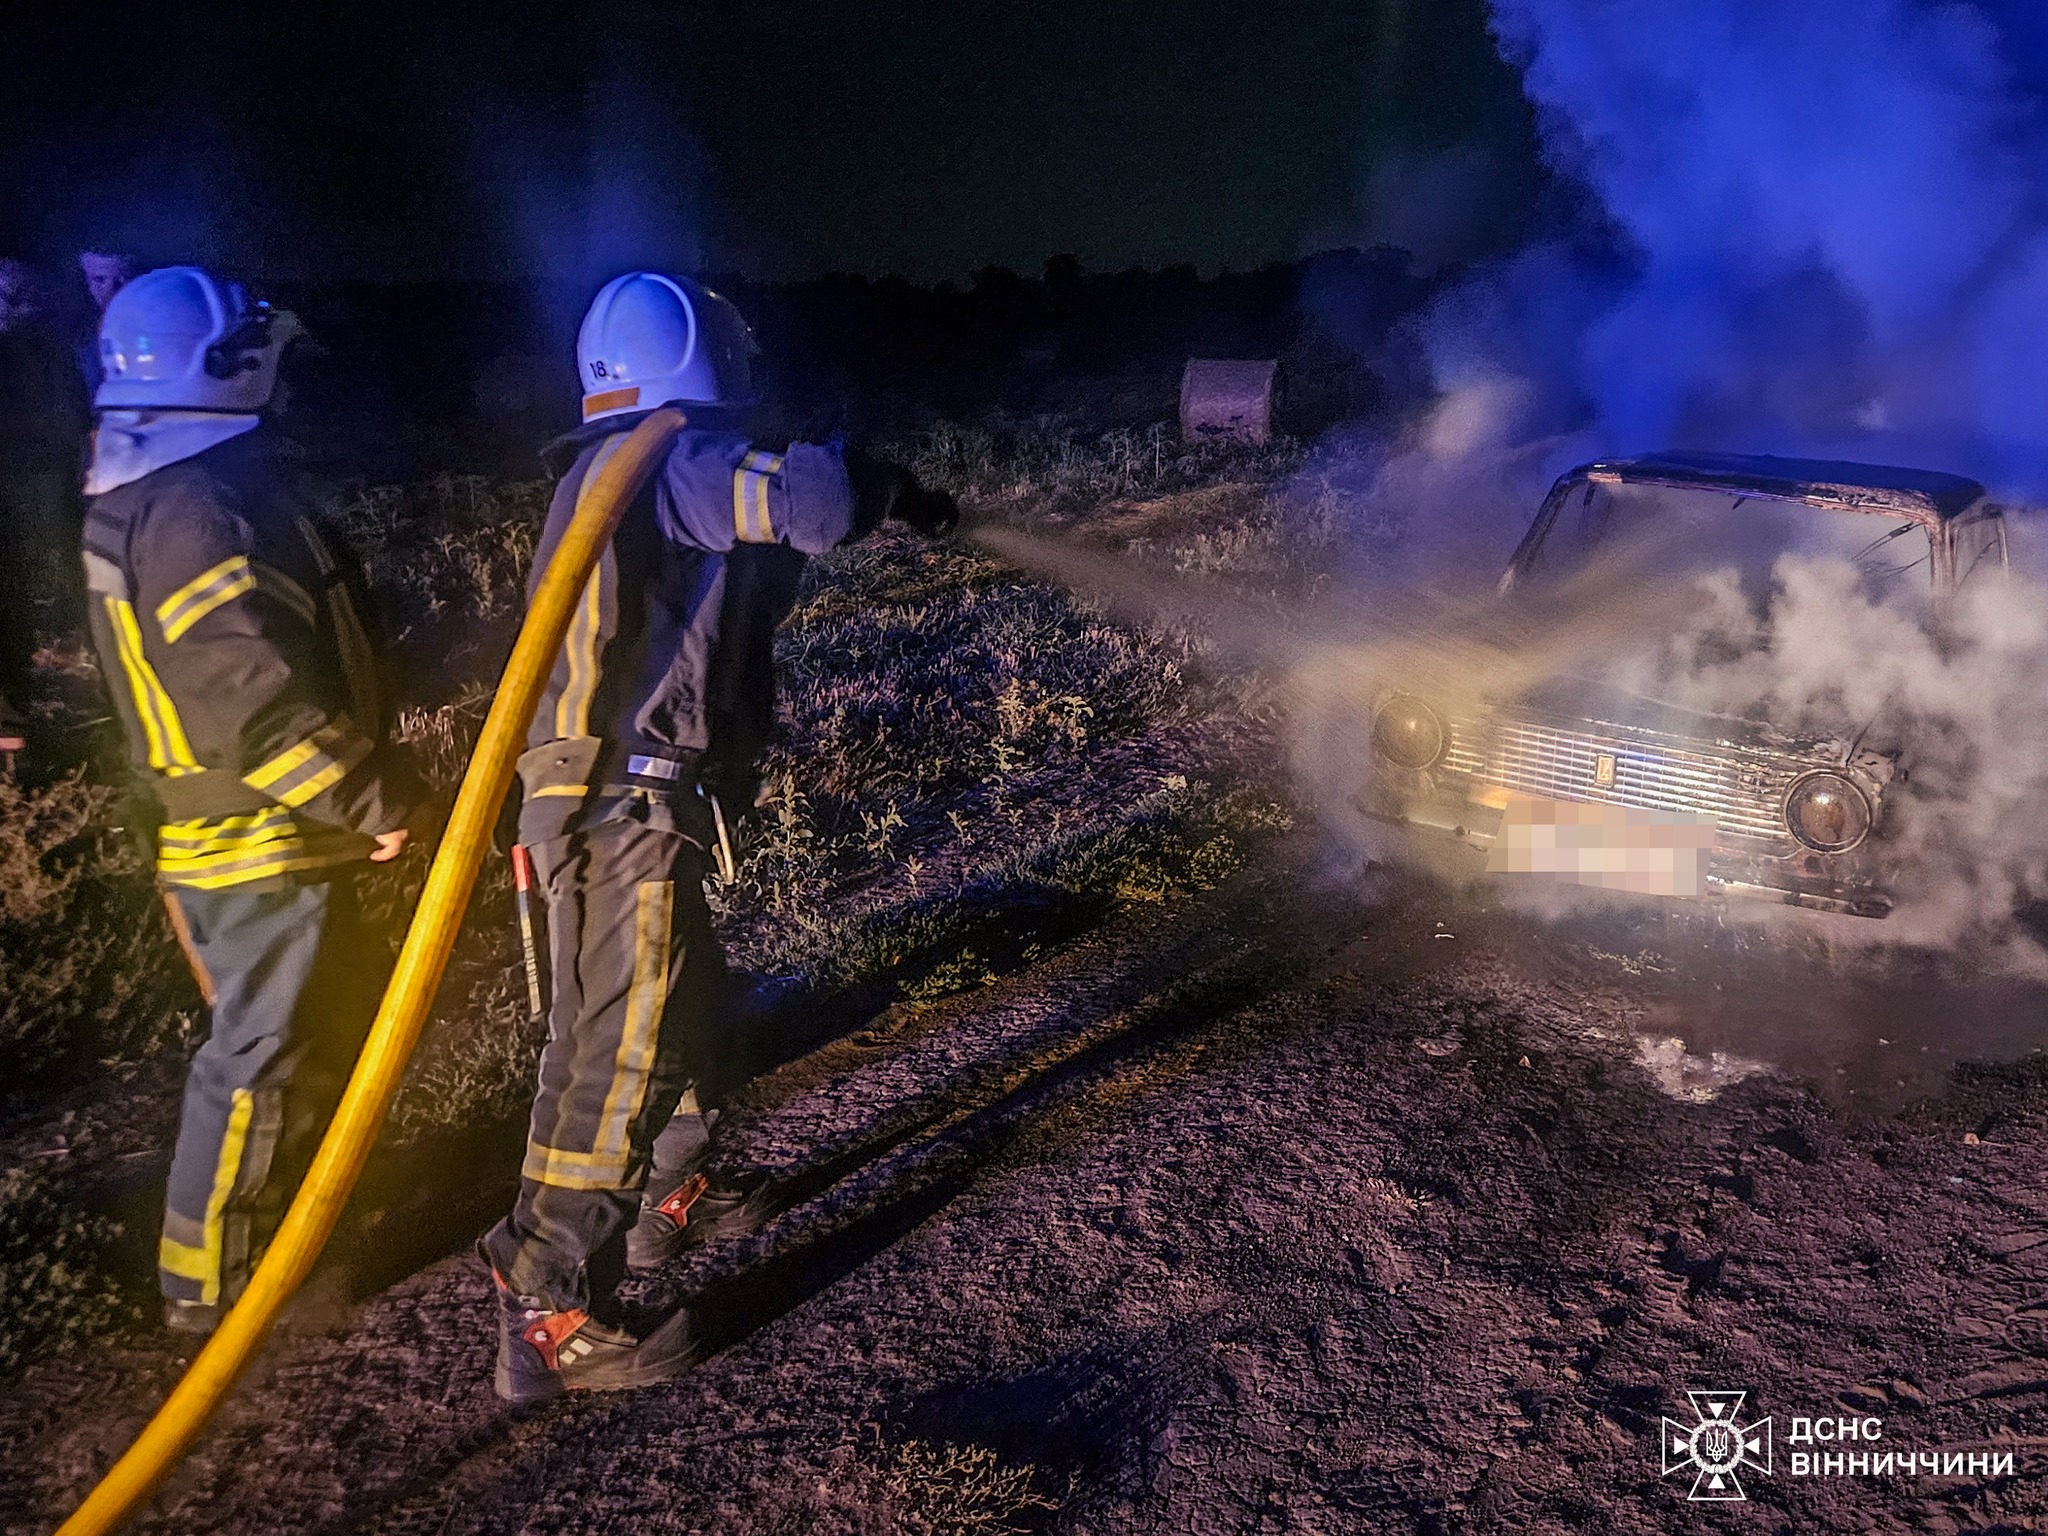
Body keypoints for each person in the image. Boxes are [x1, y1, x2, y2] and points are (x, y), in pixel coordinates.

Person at [479, 271, 958, 1402]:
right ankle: (547, 1303)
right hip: (617, 811)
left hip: (629, 804)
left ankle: (671, 1199)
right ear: (711, 362)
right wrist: (880, 479)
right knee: (612, 1053)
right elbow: (815, 502)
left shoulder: (617, 468)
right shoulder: (670, 459)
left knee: (680, 1010)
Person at [80, 265, 427, 1333]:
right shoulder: (198, 509)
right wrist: (376, 801)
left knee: (306, 1039)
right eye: (263, 359)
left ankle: (300, 1231)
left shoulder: (164, 488)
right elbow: (250, 704)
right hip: (257, 833)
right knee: (262, 1054)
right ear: (224, 368)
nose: (280, 379)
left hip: (259, 828)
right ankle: (218, 1287)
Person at [0, 258, 91, 752]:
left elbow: (69, 412)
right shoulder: (45, 345)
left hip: (35, 477)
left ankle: (14, 716)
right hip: (38, 476)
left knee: (23, 582)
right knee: (21, 584)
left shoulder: (37, 347)